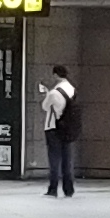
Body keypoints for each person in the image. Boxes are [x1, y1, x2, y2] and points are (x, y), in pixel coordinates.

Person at [39, 65, 80, 196]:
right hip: (68, 127)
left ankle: (53, 188)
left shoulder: (54, 93)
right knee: (67, 159)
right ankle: (69, 189)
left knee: (54, 159)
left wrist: (47, 94)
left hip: (54, 127)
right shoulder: (73, 89)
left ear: (56, 75)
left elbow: (45, 107)